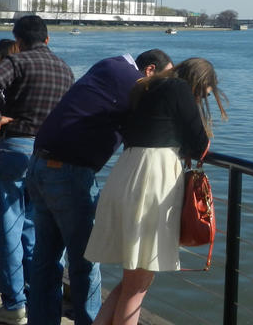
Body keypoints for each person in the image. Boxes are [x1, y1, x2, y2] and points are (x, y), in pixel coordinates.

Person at [27, 49, 172, 325]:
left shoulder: (109, 67)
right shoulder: (132, 80)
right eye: (164, 80)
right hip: (69, 171)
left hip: (41, 164)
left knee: (46, 259)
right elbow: (158, 119)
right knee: (86, 260)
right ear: (150, 70)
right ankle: (90, 320)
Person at [85, 58, 227, 325]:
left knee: (131, 283)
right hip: (152, 182)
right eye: (203, 94)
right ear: (198, 83)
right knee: (138, 286)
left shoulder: (148, 90)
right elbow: (200, 143)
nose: (200, 98)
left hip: (126, 174)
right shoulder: (180, 89)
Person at [0, 16, 74, 325]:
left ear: (18, 41)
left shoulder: (18, 62)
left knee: (7, 230)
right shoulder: (64, 69)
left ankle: (14, 304)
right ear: (48, 39)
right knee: (34, 229)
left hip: (14, 147)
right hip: (48, 154)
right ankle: (38, 300)